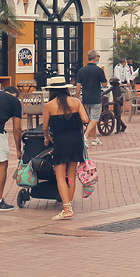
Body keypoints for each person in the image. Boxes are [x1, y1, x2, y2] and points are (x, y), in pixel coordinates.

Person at [41, 76, 88, 221]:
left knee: (60, 175)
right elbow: (86, 120)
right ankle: (68, 206)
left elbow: (44, 127)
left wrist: (47, 137)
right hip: (76, 140)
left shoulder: (50, 105)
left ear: (52, 91)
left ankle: (67, 208)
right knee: (71, 173)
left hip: (60, 140)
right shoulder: (76, 102)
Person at [76, 50, 108, 147]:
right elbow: (105, 84)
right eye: (98, 56)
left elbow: (78, 85)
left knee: (90, 119)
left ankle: (94, 139)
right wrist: (104, 72)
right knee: (95, 119)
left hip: (86, 98)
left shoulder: (82, 70)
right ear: (95, 58)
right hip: (96, 98)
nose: (98, 58)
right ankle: (85, 136)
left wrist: (77, 97)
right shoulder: (99, 70)